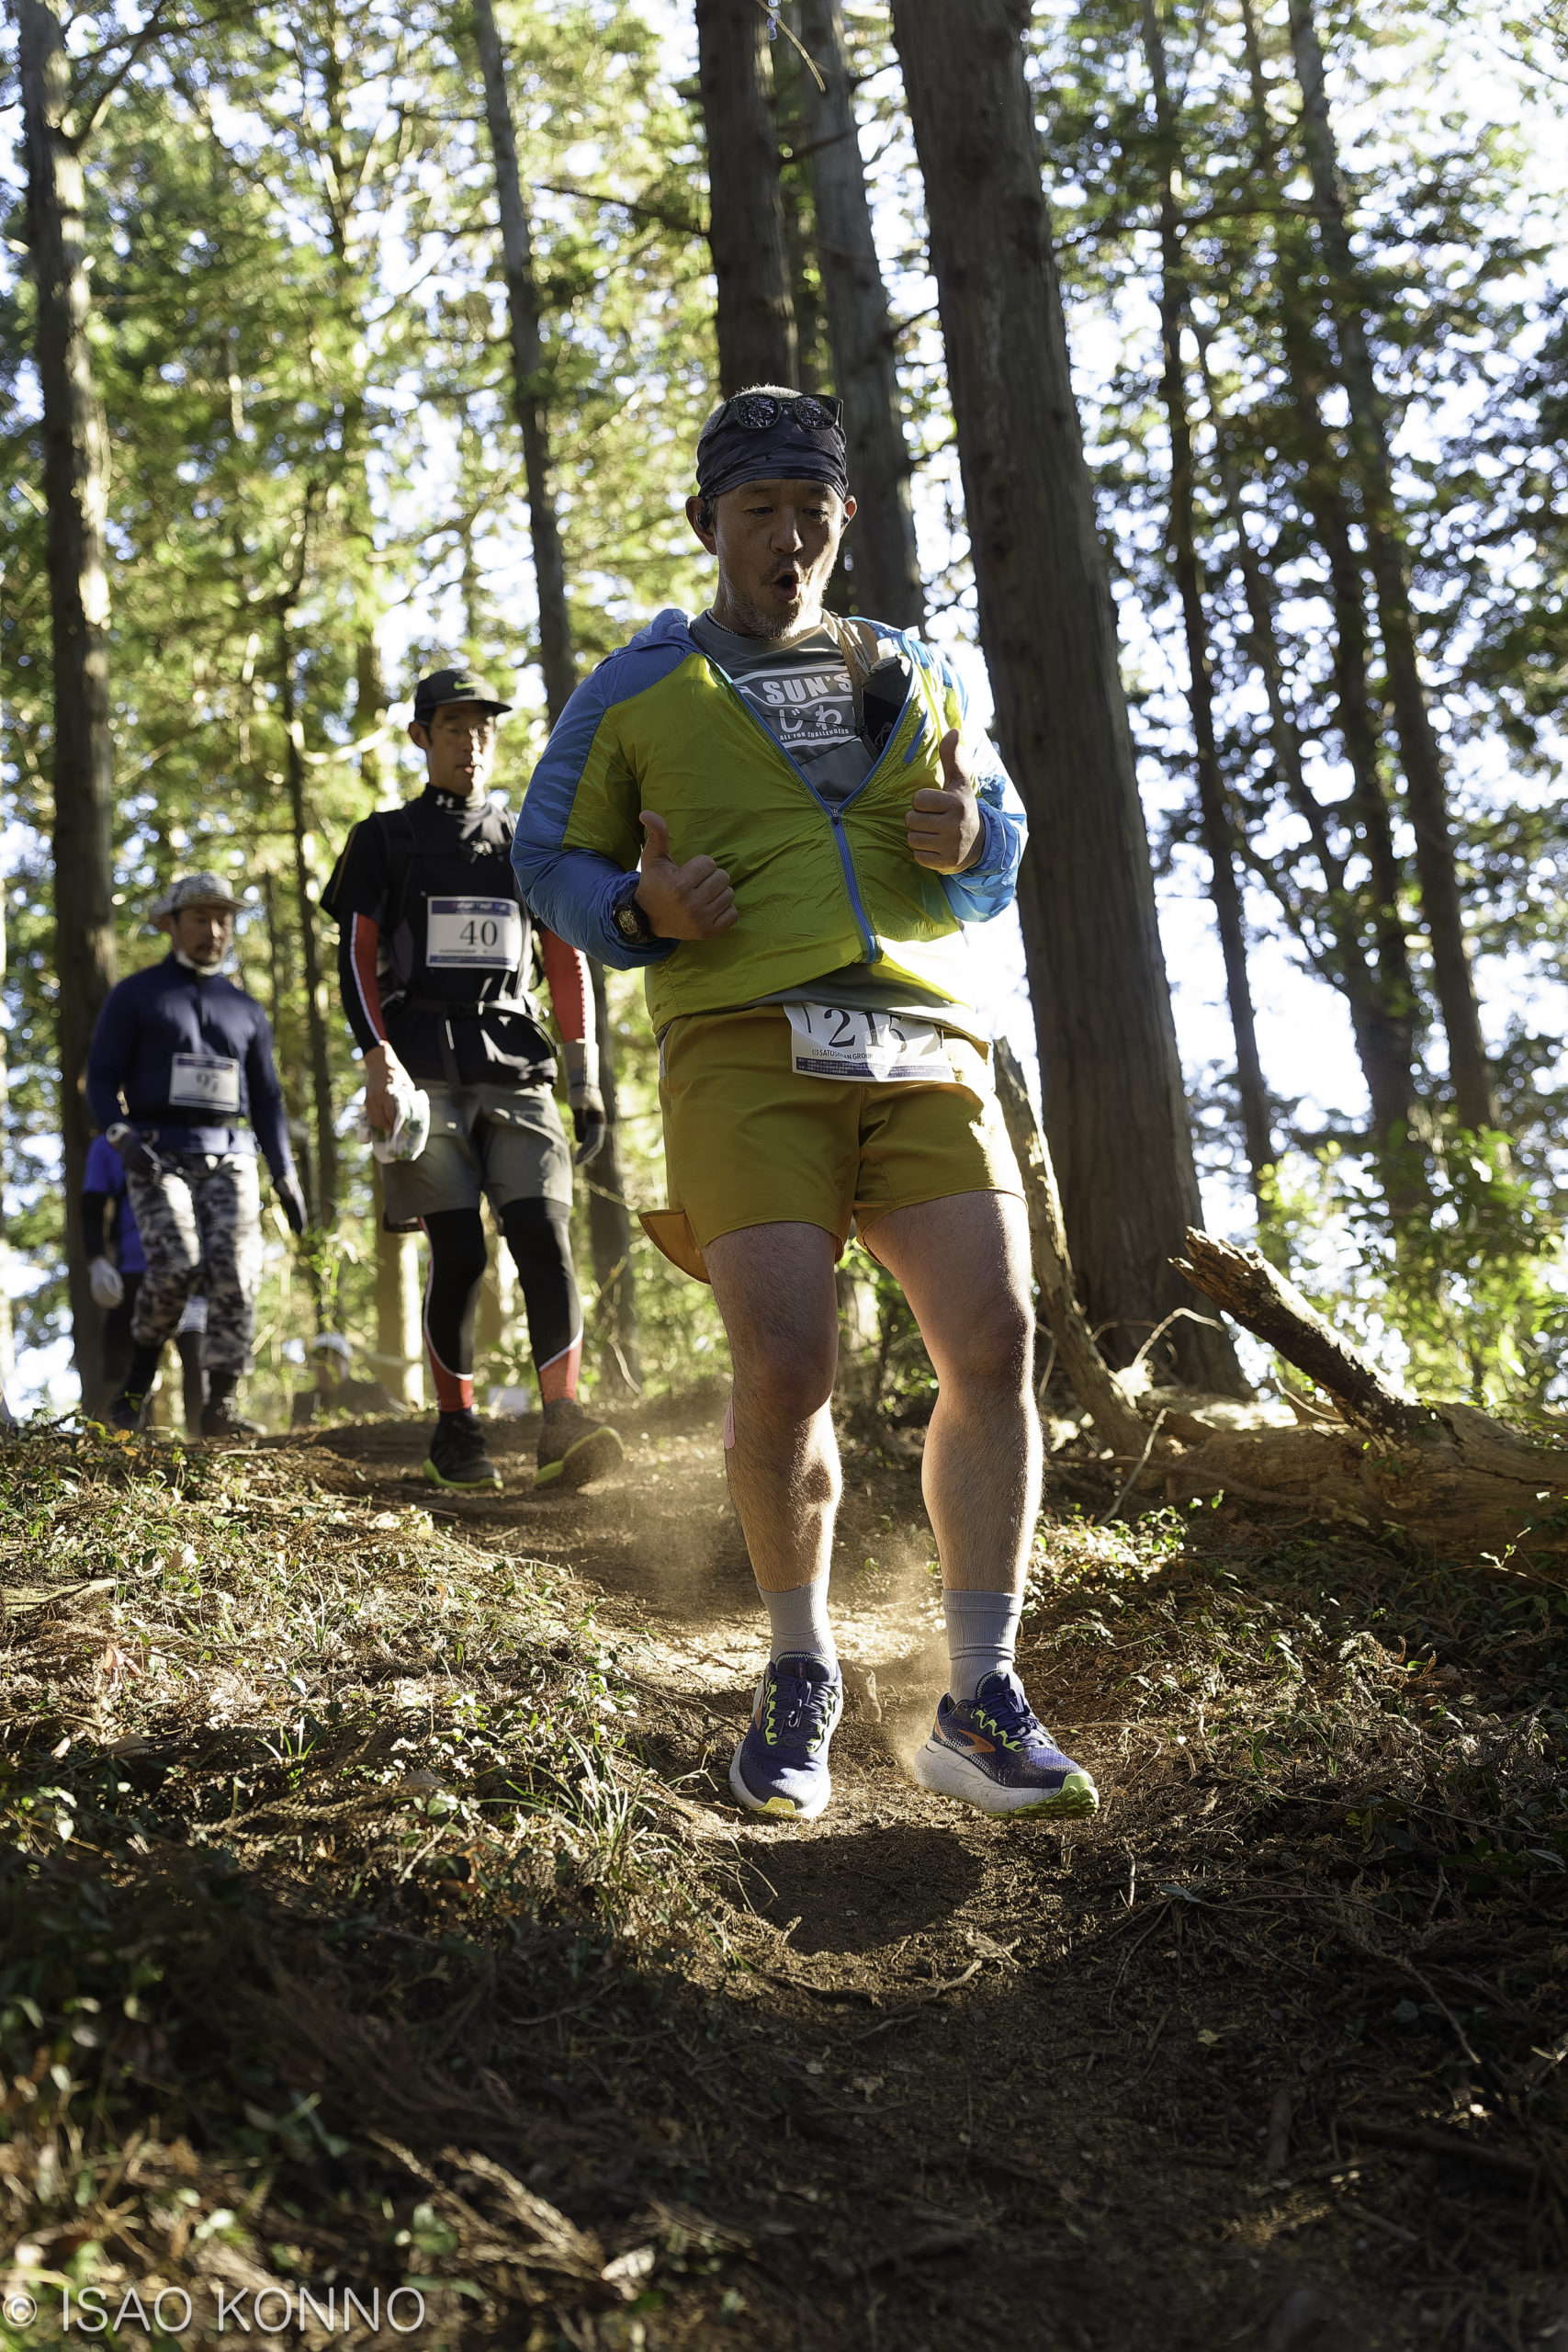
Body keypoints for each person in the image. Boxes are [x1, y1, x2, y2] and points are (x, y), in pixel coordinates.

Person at [513, 386, 1100, 1825]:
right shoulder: (635, 688)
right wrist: (638, 909)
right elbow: (545, 858)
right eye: (757, 510)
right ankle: (797, 1671)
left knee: (995, 1339)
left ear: (843, 521)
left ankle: (977, 1695)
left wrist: (971, 841)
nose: (786, 538)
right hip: (742, 1043)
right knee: (784, 1364)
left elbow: (1000, 837)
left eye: (810, 513)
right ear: (705, 523)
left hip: (922, 1039)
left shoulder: (913, 668)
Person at [322, 667, 624, 1494]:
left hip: (516, 1066)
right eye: (454, 726)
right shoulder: (382, 839)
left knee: (544, 1240)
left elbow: (564, 958)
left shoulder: (529, 843)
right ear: (421, 736)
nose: (472, 741)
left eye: (484, 726)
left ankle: (562, 1421)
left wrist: (585, 1079)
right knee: (457, 1252)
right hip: (420, 1074)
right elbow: (355, 956)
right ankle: (455, 1430)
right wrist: (377, 1060)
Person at [85, 874, 307, 1436]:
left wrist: (284, 1173)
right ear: (170, 924)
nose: (214, 931)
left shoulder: (245, 1009)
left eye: (223, 919)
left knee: (235, 1270)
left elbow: (268, 1098)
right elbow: (101, 1078)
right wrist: (120, 1135)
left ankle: (221, 1404)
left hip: (231, 1154)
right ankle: (135, 1385)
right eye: (200, 918)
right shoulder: (136, 995)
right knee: (178, 1265)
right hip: (157, 1154)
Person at [82, 1140, 206, 1430]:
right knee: (123, 1367)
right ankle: (122, 1443)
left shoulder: (189, 1133)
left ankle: (207, 1442)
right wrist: (96, 1260)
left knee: (198, 1359)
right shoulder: (106, 1145)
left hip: (192, 1274)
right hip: (132, 1275)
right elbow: (92, 1206)